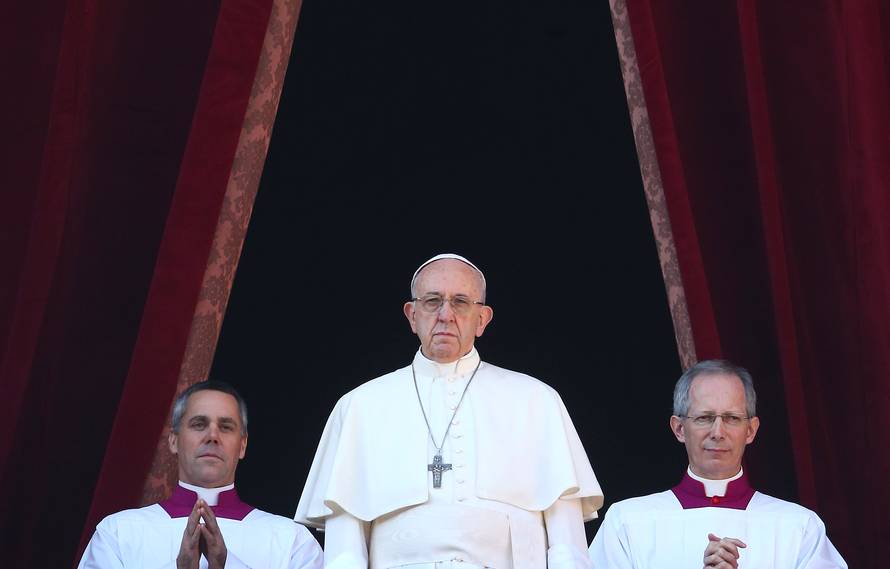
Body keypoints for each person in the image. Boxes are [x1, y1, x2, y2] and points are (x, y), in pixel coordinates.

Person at [295, 253, 602, 569]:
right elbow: (345, 553)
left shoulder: (538, 401)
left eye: (460, 302)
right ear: (412, 315)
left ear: (482, 319)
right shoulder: (360, 406)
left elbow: (568, 548)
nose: (445, 314)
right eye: (432, 301)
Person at [588, 360, 847, 569]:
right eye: (704, 417)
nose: (718, 432)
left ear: (750, 430)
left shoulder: (798, 526)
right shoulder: (627, 522)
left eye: (732, 418)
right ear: (679, 428)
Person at [79, 380, 324, 569]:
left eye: (226, 427)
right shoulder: (119, 533)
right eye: (199, 424)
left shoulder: (291, 540)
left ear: (242, 445)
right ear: (174, 440)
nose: (212, 436)